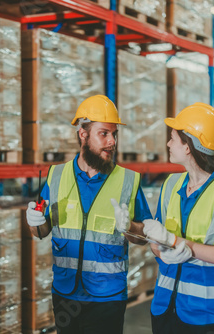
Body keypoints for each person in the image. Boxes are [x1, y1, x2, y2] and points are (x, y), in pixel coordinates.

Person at [25, 95, 153, 334]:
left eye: (114, 134)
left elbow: (144, 237)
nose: (112, 141)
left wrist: (131, 228)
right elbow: (41, 231)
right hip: (65, 293)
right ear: (83, 134)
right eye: (104, 133)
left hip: (108, 297)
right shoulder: (56, 176)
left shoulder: (128, 181)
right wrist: (34, 222)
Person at [142, 102, 214, 334]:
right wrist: (152, 242)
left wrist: (181, 246)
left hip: (206, 314)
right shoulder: (171, 185)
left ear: (189, 145)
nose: (169, 143)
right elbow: (157, 243)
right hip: (165, 305)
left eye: (173, 138)